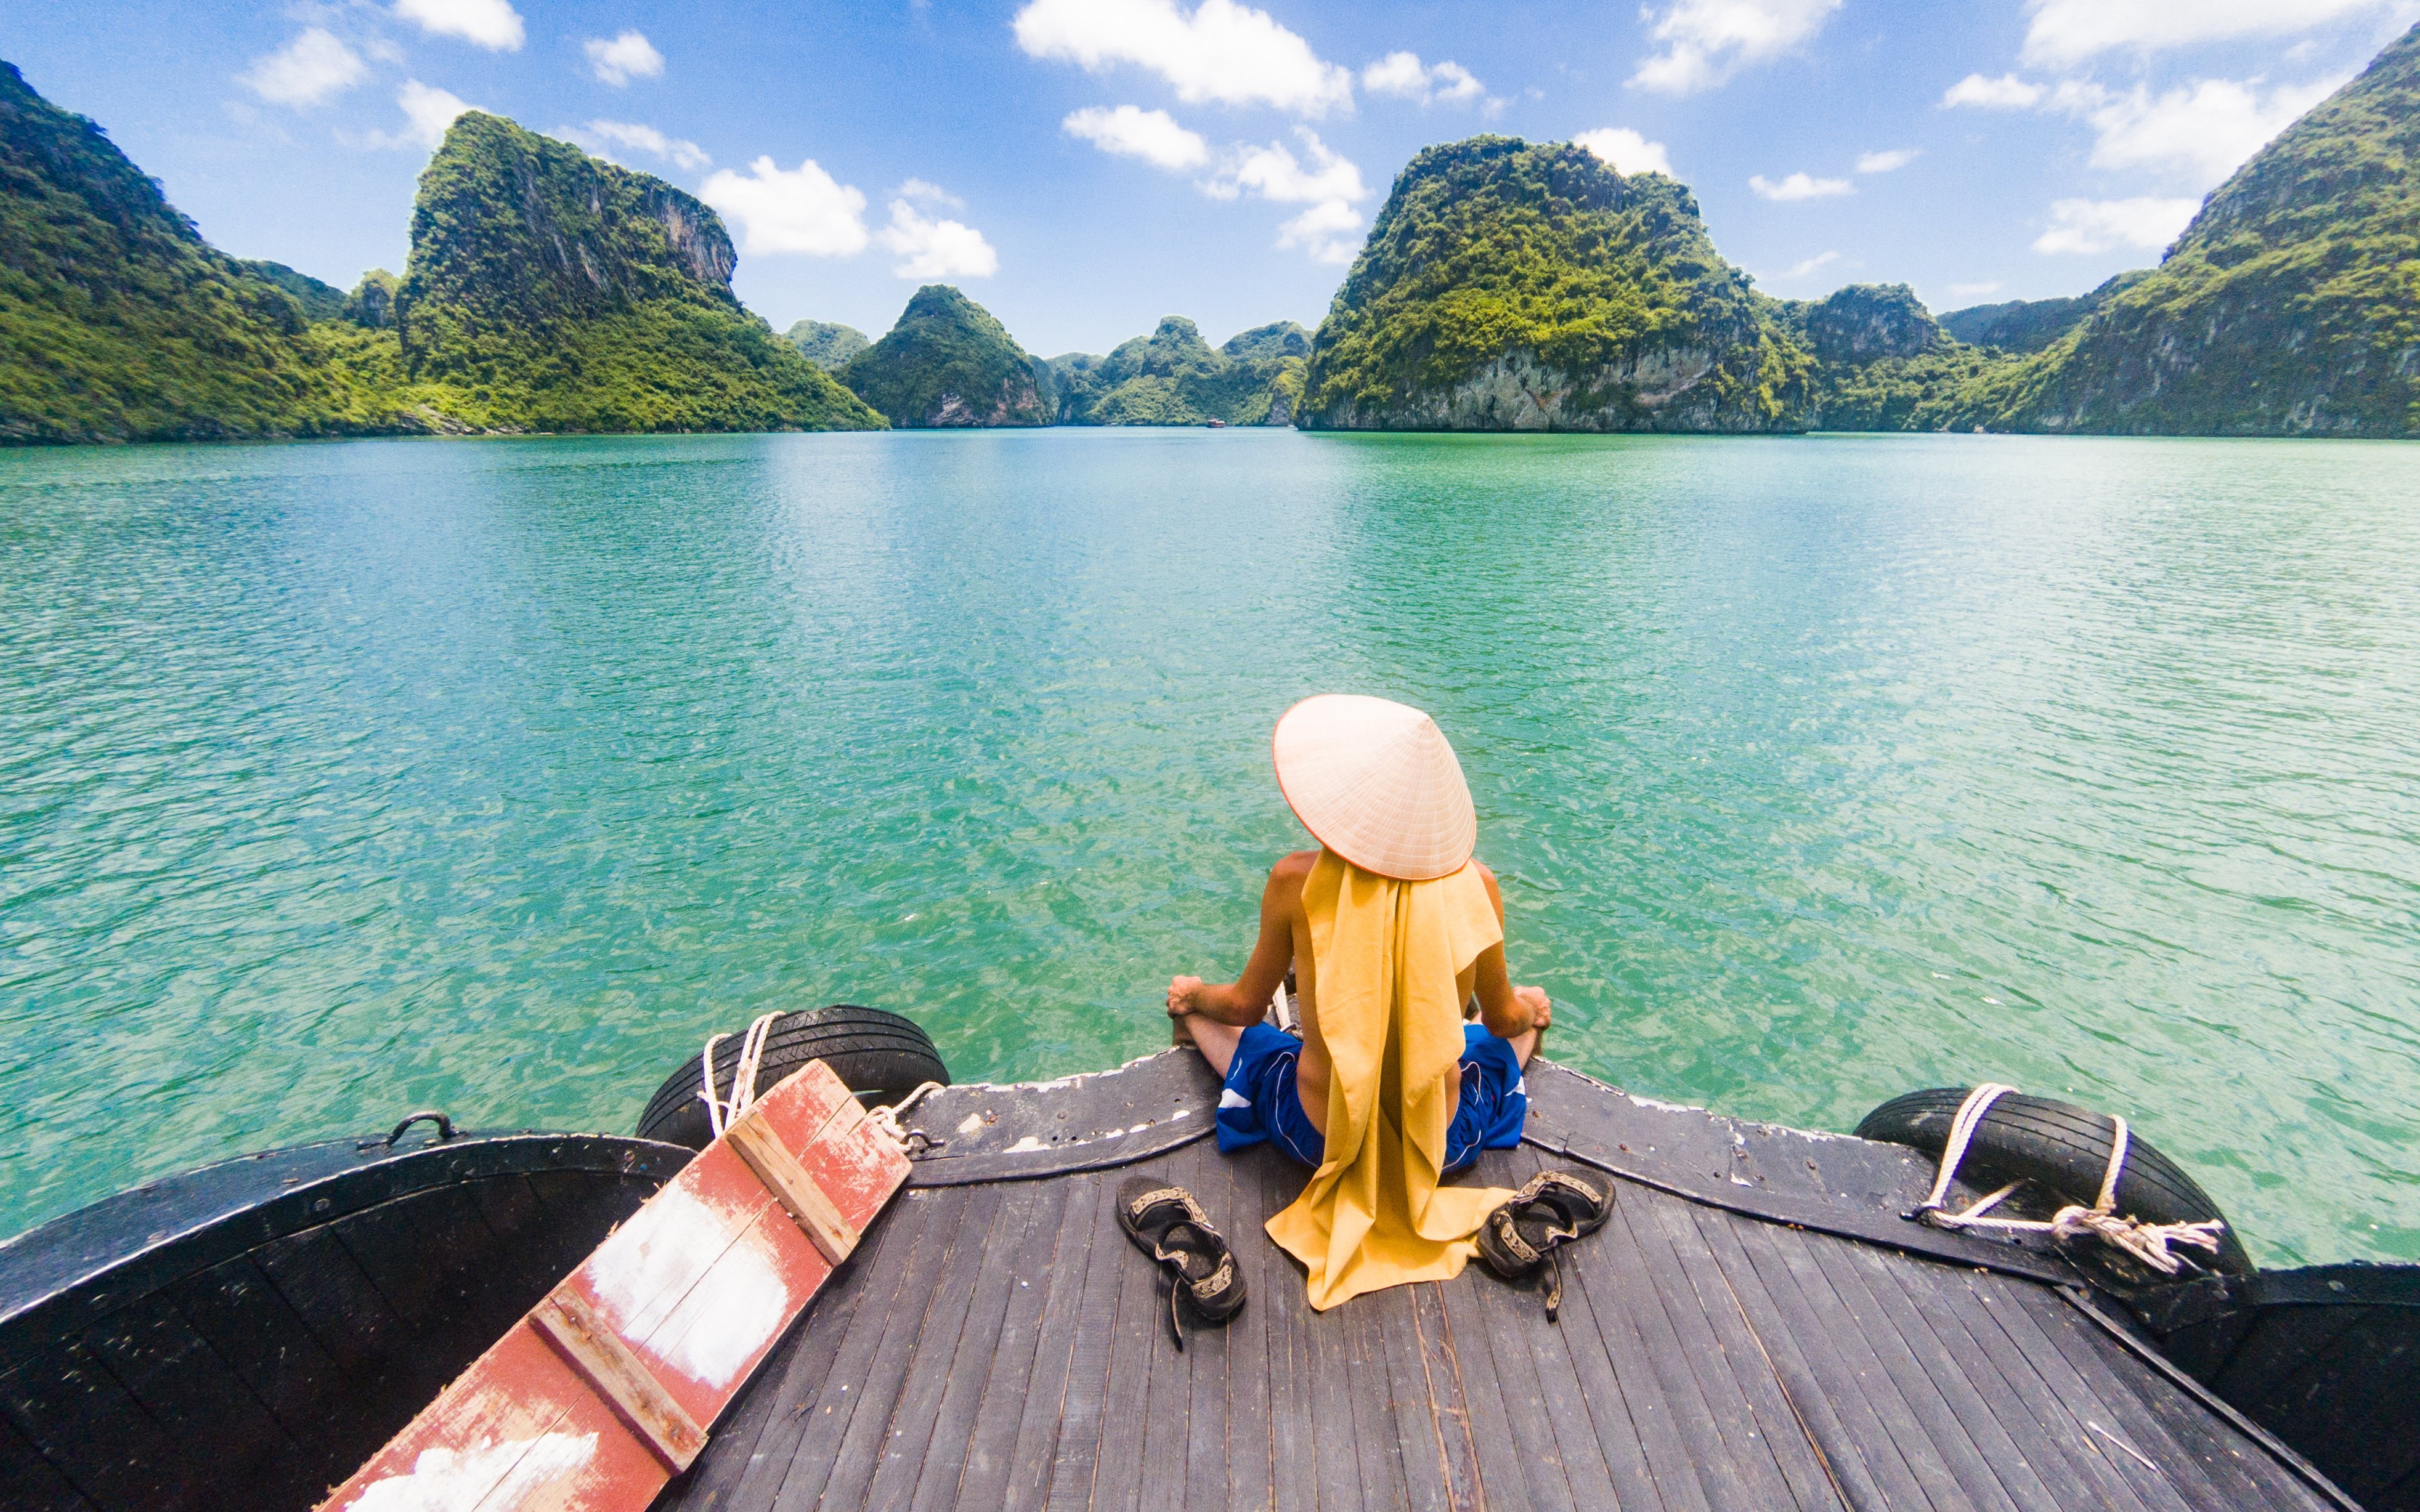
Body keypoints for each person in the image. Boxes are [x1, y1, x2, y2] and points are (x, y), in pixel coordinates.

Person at [1164, 694, 1553, 1310]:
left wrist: (1193, 996)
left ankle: (1187, 1021)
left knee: (1264, 1047)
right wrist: (1530, 1010)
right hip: (1440, 1144)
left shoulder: (1294, 880)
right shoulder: (1476, 884)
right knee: (1489, 1041)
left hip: (1319, 1136)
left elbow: (1242, 1006)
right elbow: (1504, 1019)